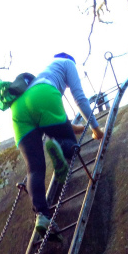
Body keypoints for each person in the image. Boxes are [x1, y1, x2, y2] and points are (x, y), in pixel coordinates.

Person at [10, 52, 104, 240]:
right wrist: (95, 128)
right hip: (45, 96)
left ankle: (42, 216)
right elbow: (79, 97)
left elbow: (42, 113)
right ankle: (61, 147)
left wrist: (72, 127)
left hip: (19, 108)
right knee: (70, 145)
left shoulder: (43, 73)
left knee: (34, 169)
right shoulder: (67, 63)